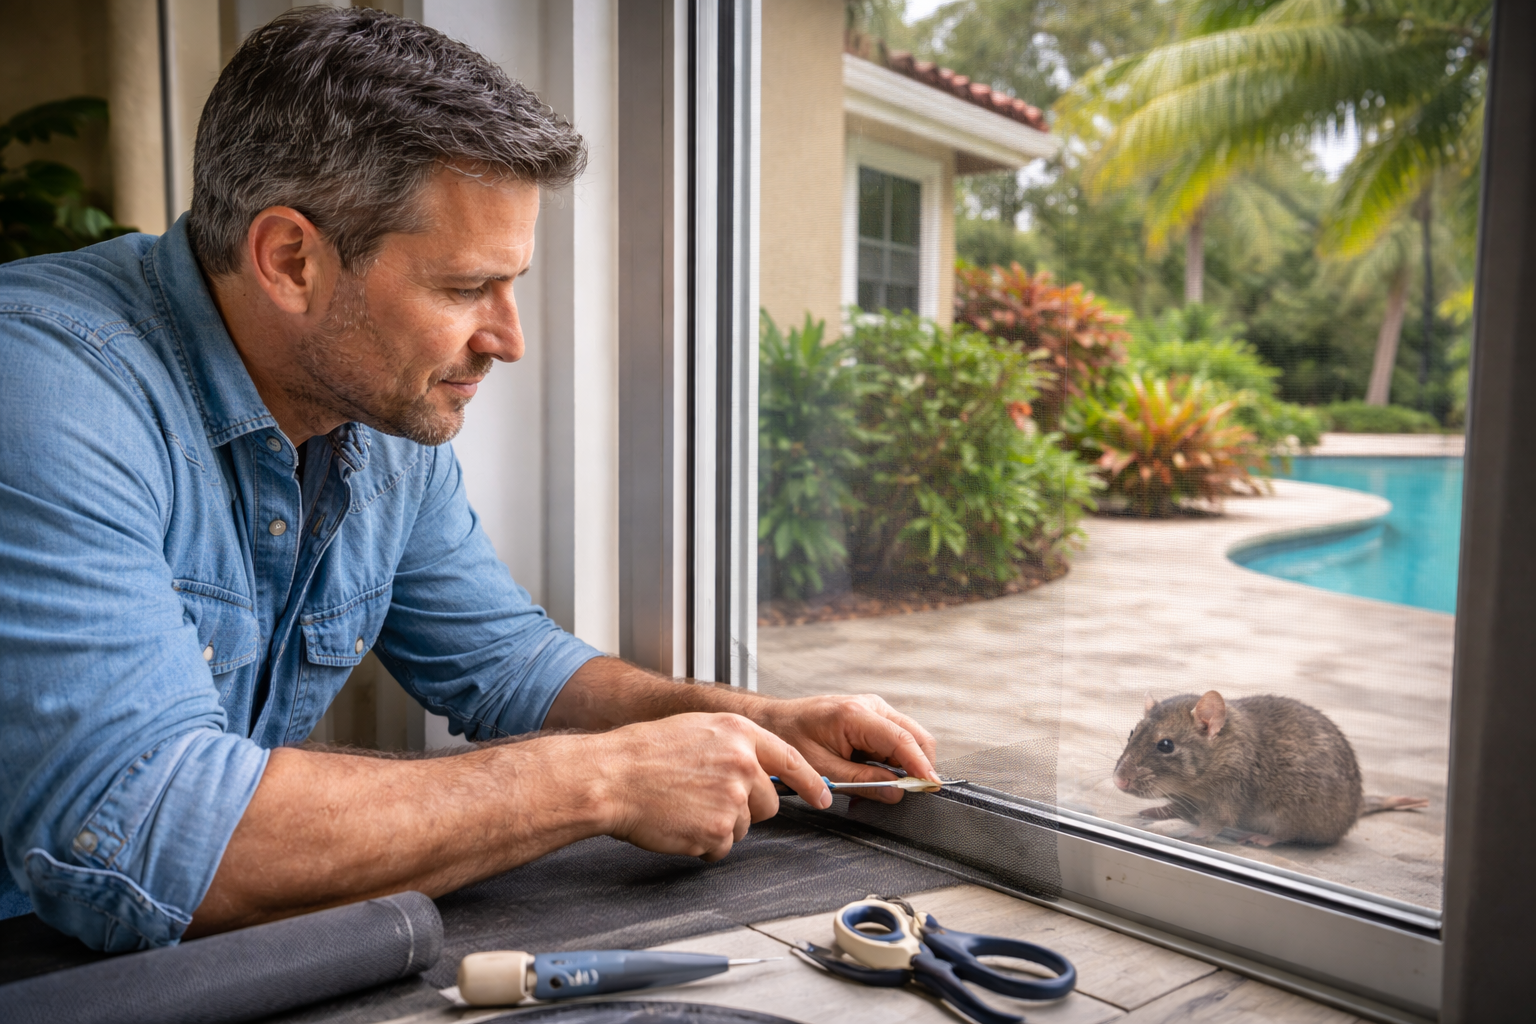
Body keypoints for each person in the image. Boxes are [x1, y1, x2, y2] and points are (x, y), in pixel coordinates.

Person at [0, 7, 938, 952]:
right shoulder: (45, 391)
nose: (508, 340)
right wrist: (604, 779)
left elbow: (511, 663)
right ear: (290, 260)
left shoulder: (371, 406)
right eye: (461, 290)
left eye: (511, 283)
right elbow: (151, 837)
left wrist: (758, 723)